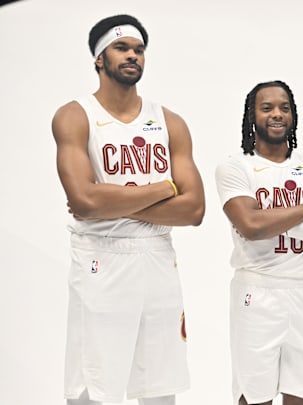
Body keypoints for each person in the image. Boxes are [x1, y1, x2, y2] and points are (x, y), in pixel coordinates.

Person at [52, 14, 205, 405]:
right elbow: (85, 203)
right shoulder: (75, 115)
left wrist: (111, 200)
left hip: (158, 261)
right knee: (93, 387)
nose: (132, 55)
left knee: (158, 387)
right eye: (121, 48)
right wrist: (165, 188)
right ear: (99, 59)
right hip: (101, 261)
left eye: (138, 49)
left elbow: (194, 209)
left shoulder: (170, 121)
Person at [215, 80, 303, 405]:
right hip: (257, 294)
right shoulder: (235, 166)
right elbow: (249, 226)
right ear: (252, 116)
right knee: (254, 397)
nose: (277, 114)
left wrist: (269, 218)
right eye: (267, 108)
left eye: (284, 108)